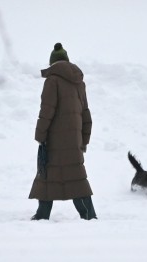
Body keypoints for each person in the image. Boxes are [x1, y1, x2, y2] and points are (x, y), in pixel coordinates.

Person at [28, 43, 97, 220]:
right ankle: (88, 214)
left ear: (52, 63)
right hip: (73, 141)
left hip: (54, 140)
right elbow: (86, 113)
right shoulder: (79, 83)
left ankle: (42, 214)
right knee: (76, 177)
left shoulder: (52, 80)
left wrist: (40, 135)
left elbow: (47, 110)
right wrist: (84, 140)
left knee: (46, 174)